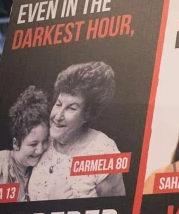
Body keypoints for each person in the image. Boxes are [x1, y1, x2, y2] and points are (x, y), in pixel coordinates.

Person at [28, 61, 127, 200]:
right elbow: (17, 159)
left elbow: (117, 208)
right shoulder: (42, 137)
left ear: (87, 115)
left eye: (71, 108)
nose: (58, 116)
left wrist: (53, 207)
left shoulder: (104, 152)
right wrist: (5, 157)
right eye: (58, 104)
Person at [0, 85, 49, 204]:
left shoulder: (30, 165)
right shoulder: (2, 174)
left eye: (45, 141)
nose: (40, 149)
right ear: (16, 144)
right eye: (33, 144)